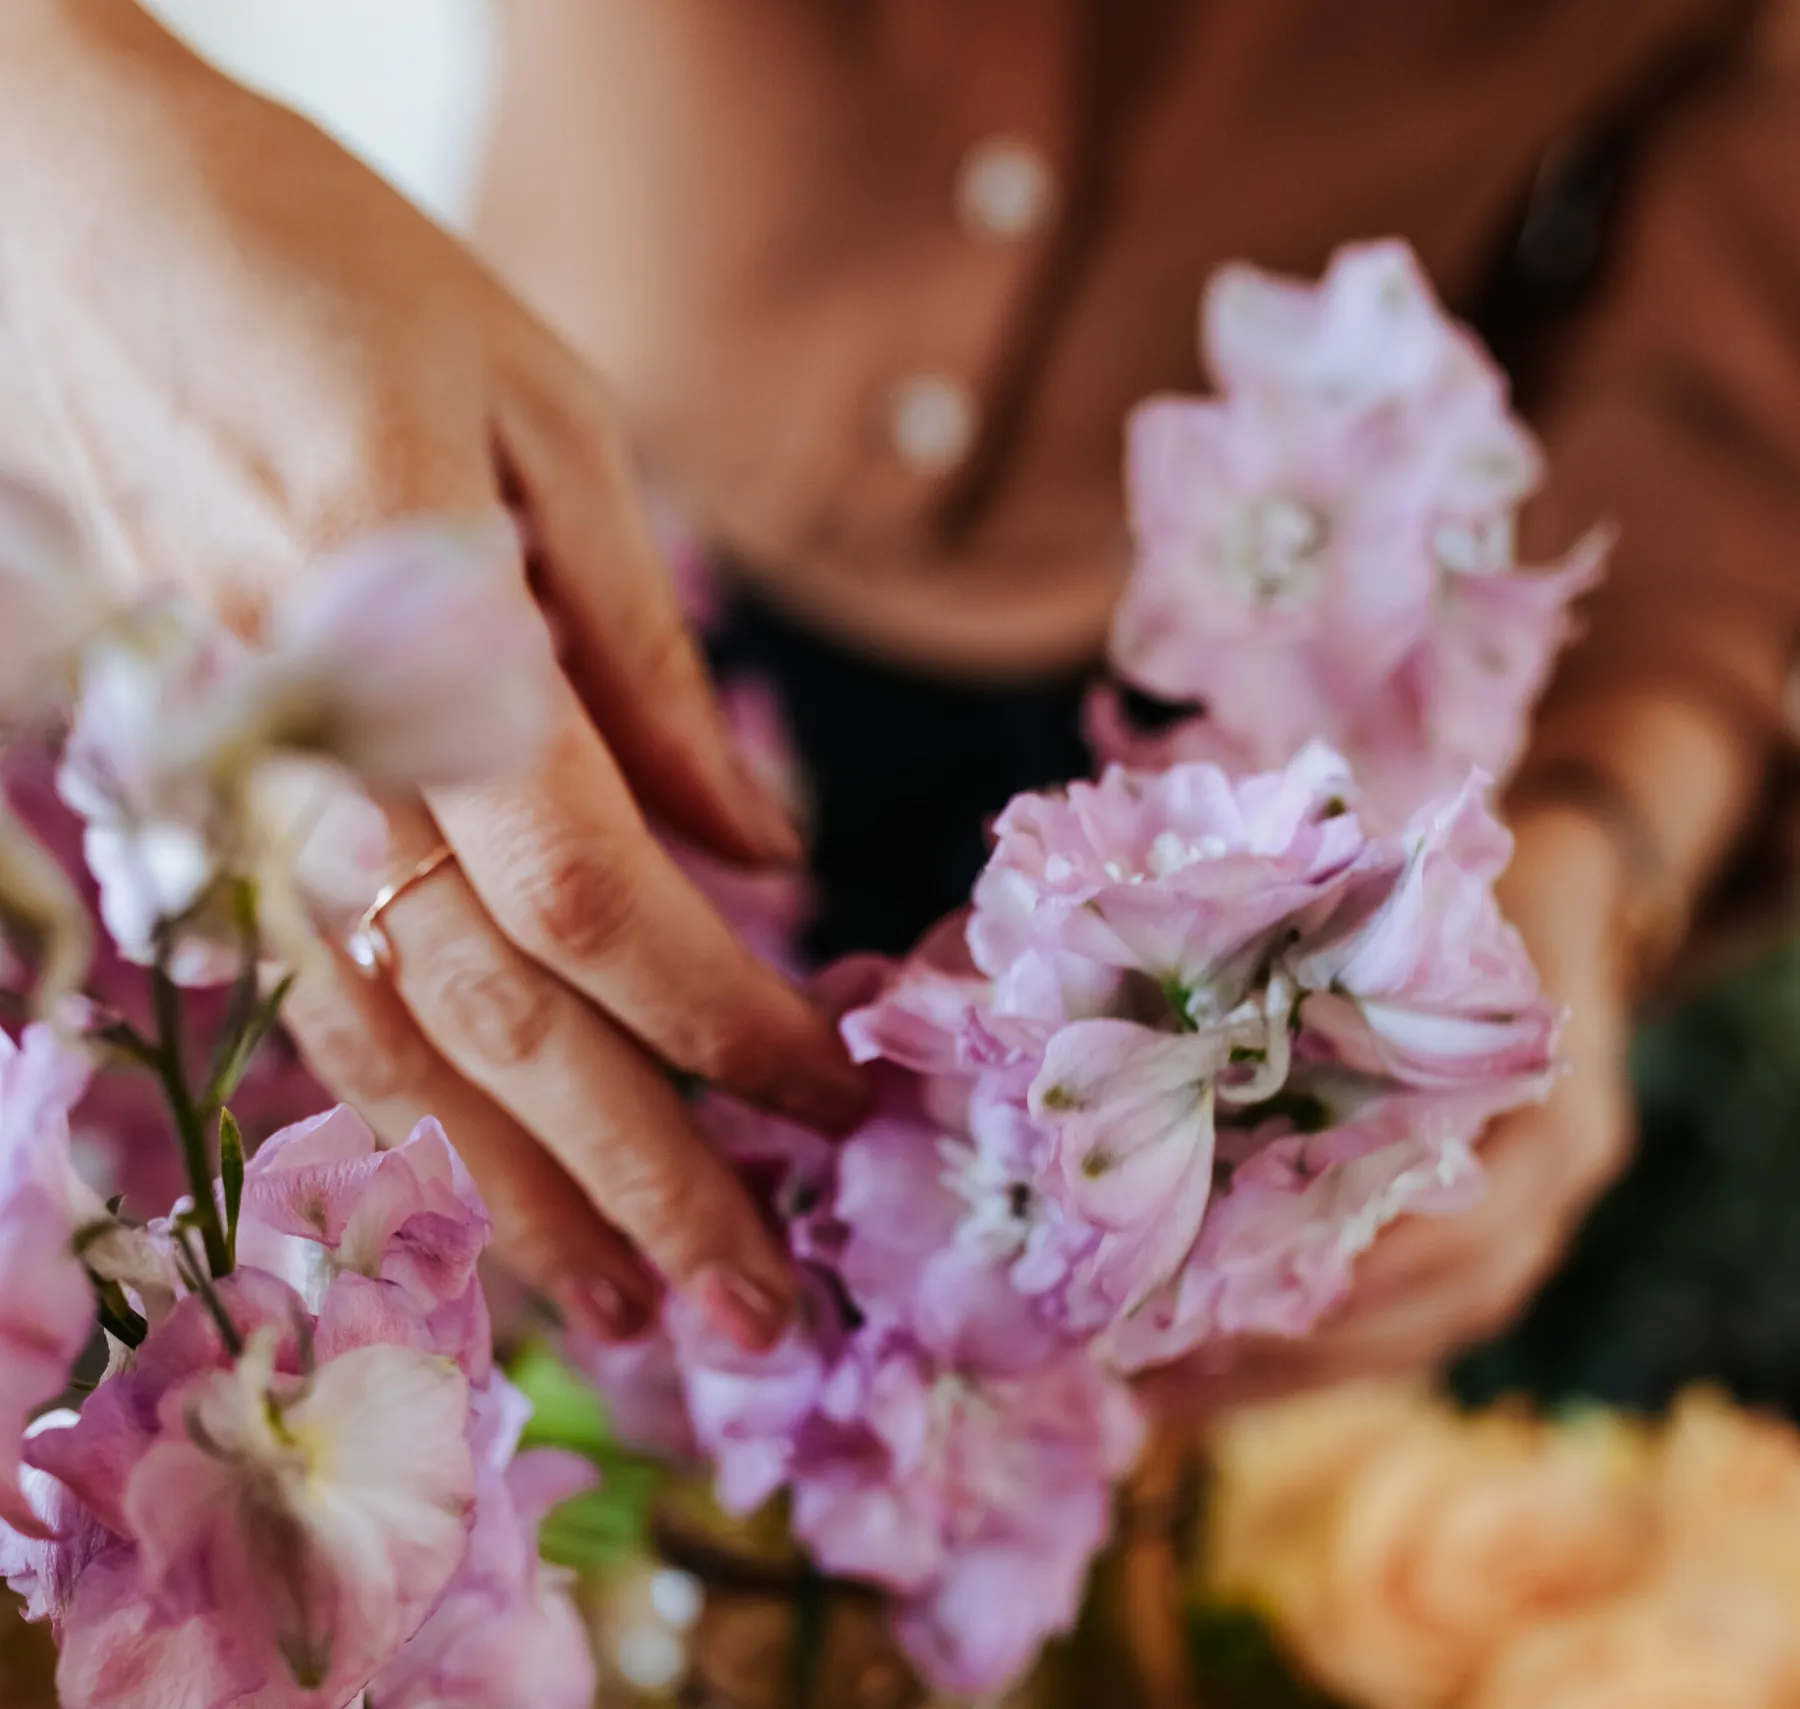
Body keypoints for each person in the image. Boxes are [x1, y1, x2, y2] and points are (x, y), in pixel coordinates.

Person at [2, 0, 1796, 1400]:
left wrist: (1599, 833)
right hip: (472, 545)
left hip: (1251, 804)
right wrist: (68, 151)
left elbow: (1740, 283)